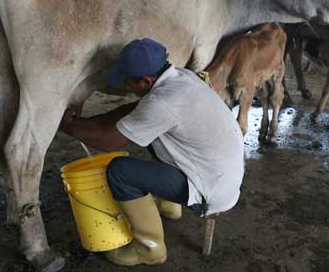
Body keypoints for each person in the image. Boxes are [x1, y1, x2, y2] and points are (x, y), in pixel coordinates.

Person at [58, 38, 245, 266]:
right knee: (152, 136)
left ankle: (149, 249)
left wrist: (67, 127)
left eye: (128, 83)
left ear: (146, 80)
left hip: (209, 191)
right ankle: (169, 205)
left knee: (119, 172)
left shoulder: (162, 103)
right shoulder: (181, 78)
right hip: (220, 175)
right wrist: (85, 122)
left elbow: (109, 142)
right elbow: (131, 112)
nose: (126, 87)